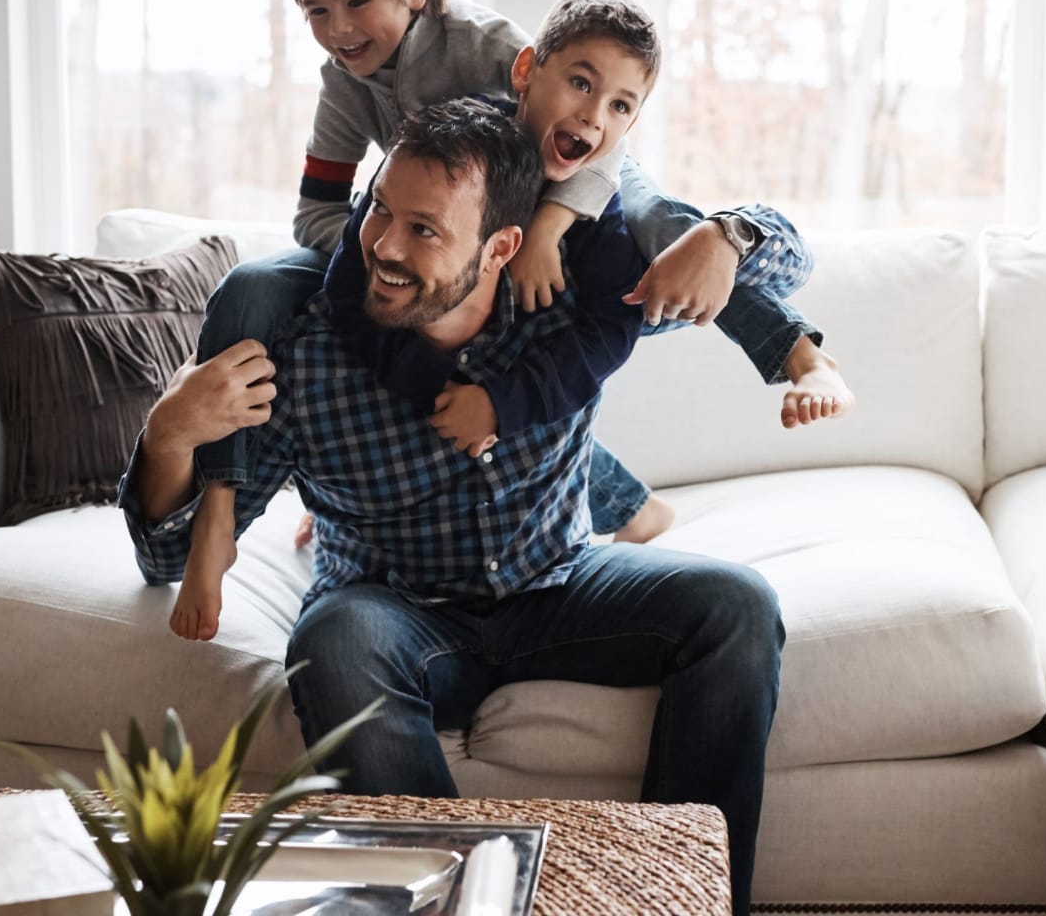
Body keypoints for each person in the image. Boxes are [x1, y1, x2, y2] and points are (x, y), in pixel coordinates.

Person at [120, 99, 783, 916]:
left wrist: (728, 236)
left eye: (425, 231)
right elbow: (164, 560)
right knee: (334, 636)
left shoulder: (568, 305)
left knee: (737, 605)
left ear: (503, 245)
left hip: (559, 583)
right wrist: (167, 436)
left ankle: (680, 901)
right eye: (379, 215)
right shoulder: (307, 352)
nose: (385, 249)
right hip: (396, 615)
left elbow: (779, 279)